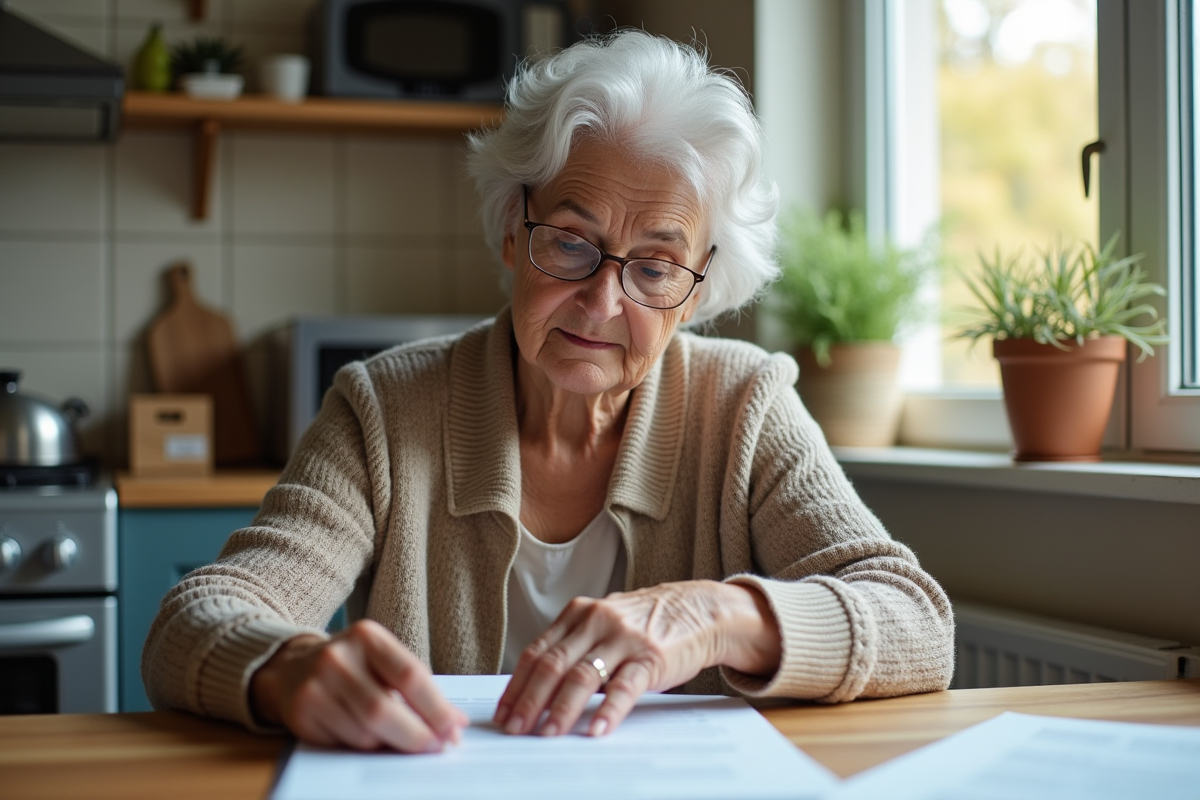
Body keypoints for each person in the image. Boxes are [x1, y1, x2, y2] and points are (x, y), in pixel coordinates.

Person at [142, 30, 954, 754]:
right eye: (571, 243)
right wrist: (288, 666)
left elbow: (916, 623)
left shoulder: (745, 405)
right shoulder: (385, 410)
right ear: (510, 228)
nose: (604, 304)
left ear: (698, 292)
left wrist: (707, 616)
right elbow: (193, 621)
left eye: (656, 267)